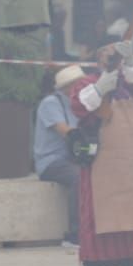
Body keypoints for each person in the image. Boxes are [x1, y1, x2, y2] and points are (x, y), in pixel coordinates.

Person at [69, 41, 133, 266]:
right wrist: (100, 88)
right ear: (98, 58)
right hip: (102, 164)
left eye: (116, 53)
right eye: (108, 52)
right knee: (98, 214)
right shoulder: (86, 83)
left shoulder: (132, 84)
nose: (112, 56)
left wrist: (130, 63)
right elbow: (79, 106)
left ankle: (132, 265)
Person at [34, 64, 86, 249]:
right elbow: (65, 130)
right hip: (52, 161)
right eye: (80, 84)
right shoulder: (51, 103)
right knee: (79, 177)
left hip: (72, 158)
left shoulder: (78, 104)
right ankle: (74, 235)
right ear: (69, 86)